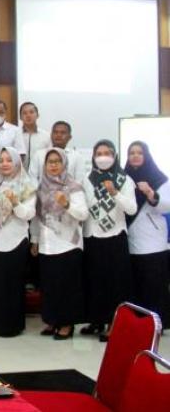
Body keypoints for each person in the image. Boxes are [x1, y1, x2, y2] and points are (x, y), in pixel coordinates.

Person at [80, 140, 136, 342]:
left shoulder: (124, 179)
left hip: (115, 237)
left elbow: (131, 209)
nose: (103, 157)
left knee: (116, 283)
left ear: (115, 156)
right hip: (92, 236)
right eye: (99, 153)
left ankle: (114, 323)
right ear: (93, 156)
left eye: (108, 153)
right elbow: (84, 206)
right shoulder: (87, 179)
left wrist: (115, 193)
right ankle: (96, 320)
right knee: (95, 281)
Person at [35, 148, 89, 340]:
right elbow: (37, 217)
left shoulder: (73, 186)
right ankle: (52, 320)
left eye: (57, 161)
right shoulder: (41, 187)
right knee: (49, 285)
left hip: (68, 244)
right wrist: (35, 240)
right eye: (50, 162)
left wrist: (66, 204)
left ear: (64, 163)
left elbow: (83, 214)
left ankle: (66, 323)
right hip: (47, 243)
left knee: (67, 286)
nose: (53, 165)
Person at [0, 148, 37, 337]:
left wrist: (15, 203)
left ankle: (12, 326)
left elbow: (29, 214)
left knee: (13, 285)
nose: (5, 164)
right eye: (1, 160)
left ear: (17, 162)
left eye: (9, 160)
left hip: (16, 239)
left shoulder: (27, 185)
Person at [124, 141, 170, 327]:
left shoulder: (159, 179)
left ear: (146, 156)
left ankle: (157, 323)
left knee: (154, 283)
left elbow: (167, 205)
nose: (135, 156)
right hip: (131, 239)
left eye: (139, 153)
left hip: (153, 242)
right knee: (136, 283)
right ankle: (139, 323)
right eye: (132, 153)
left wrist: (150, 193)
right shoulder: (123, 178)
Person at [19, 102, 50, 173]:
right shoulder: (15, 134)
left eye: (31, 112)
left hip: (40, 175)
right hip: (19, 175)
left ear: (37, 115)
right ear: (20, 117)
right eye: (24, 113)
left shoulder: (46, 136)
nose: (28, 115)